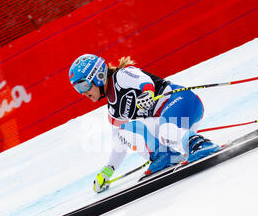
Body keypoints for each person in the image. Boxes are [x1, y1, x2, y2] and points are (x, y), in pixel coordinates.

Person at [68, 54, 221, 193]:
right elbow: (118, 145)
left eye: (83, 85)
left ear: (98, 76)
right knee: (123, 132)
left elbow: (143, 80)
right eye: (77, 89)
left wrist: (147, 92)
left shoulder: (121, 76)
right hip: (172, 126)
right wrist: (106, 172)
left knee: (165, 130)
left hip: (182, 100)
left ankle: (200, 145)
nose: (83, 93)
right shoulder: (114, 111)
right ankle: (166, 156)